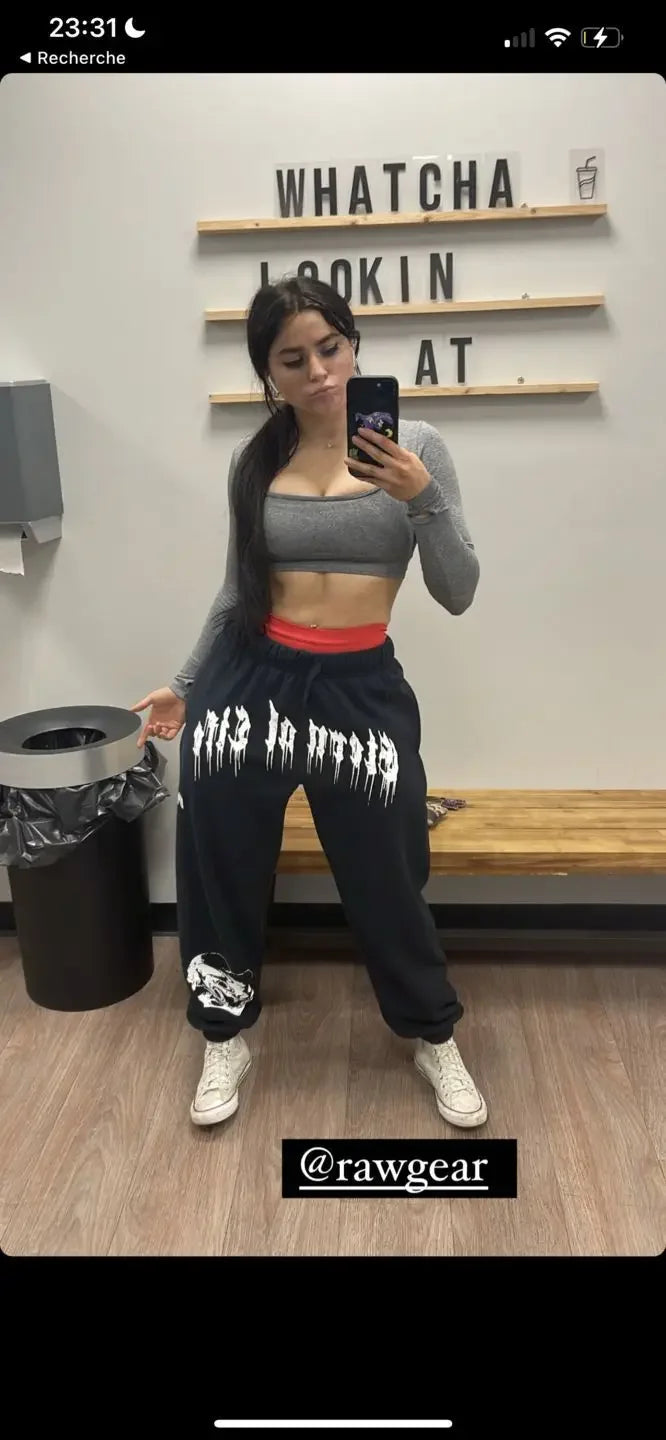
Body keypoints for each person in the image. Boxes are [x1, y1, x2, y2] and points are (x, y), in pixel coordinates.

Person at [131, 275, 488, 1131]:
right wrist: (185, 684)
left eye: (331, 348)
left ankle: (430, 1031)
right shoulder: (255, 460)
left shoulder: (418, 448)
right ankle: (225, 1032)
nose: (320, 372)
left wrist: (421, 498)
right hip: (251, 680)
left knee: (387, 867)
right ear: (269, 372)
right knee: (217, 856)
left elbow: (459, 590)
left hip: (358, 687)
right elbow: (236, 593)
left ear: (353, 343)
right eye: (293, 359)